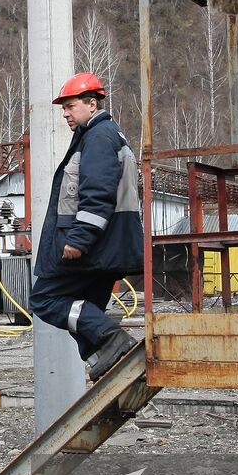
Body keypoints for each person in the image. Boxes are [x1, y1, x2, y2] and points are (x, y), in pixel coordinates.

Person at [28, 73, 143, 382]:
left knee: (44, 300)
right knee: (85, 310)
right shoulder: (104, 136)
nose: (65, 114)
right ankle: (107, 360)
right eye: (63, 108)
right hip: (108, 247)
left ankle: (113, 340)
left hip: (94, 247)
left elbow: (98, 195)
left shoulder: (99, 138)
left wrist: (79, 238)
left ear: (92, 104)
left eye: (70, 106)